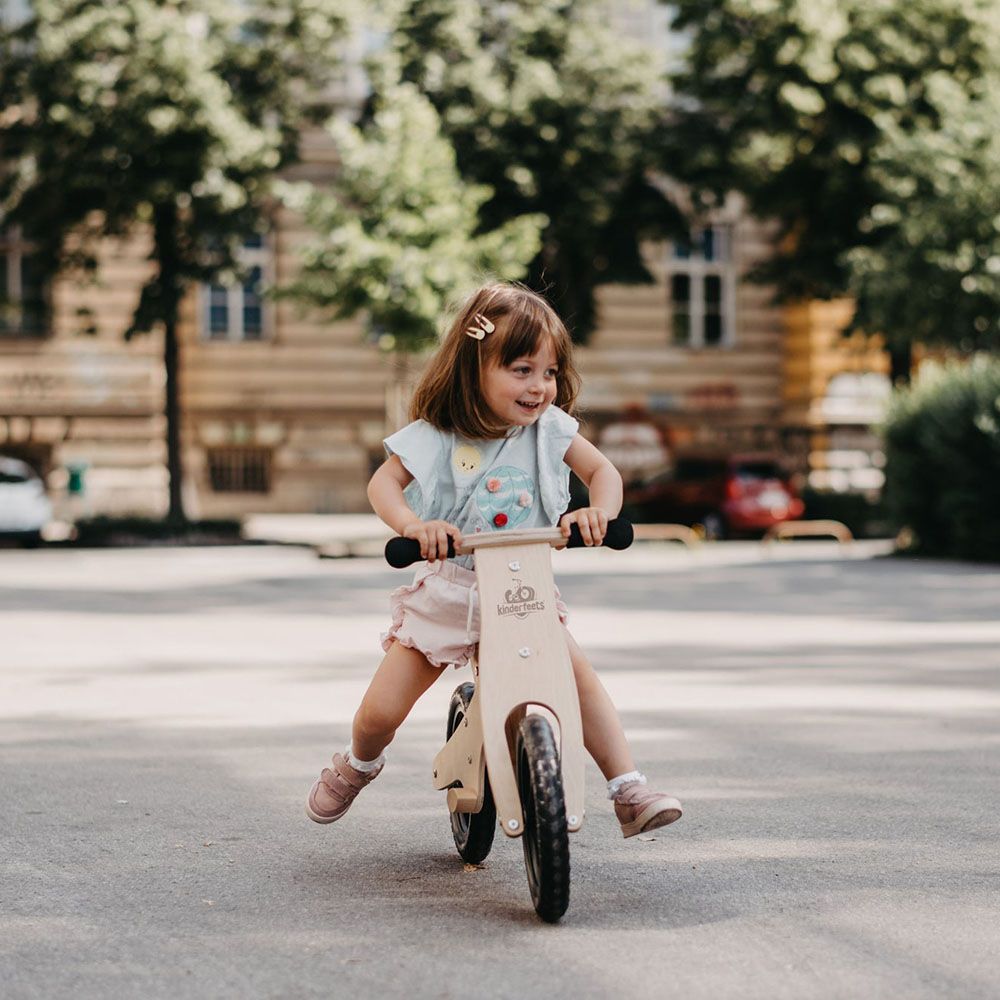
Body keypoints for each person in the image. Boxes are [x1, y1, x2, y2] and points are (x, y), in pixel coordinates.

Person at [306, 282, 682, 839]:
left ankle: (626, 786)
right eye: (522, 370)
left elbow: (605, 474)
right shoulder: (438, 435)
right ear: (474, 366)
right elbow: (384, 483)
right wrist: (414, 526)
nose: (540, 387)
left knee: (578, 683)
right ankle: (358, 762)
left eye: (550, 372)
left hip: (522, 586)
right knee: (381, 712)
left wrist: (596, 514)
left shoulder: (551, 430)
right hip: (449, 590)